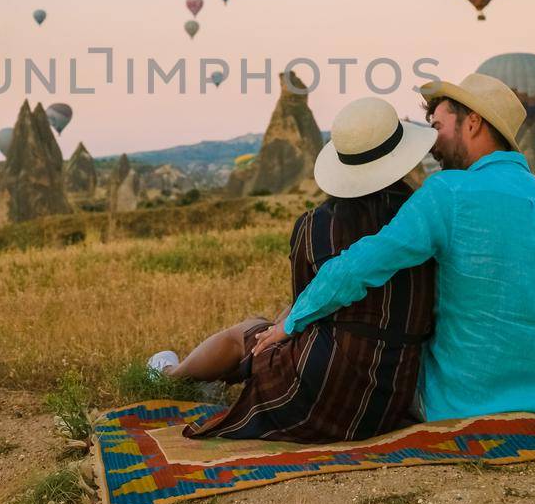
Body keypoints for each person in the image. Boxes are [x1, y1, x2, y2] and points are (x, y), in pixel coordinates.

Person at [252, 73, 535, 421]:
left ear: (473, 123)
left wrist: (292, 321)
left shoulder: (448, 191)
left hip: (464, 402)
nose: (432, 141)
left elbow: (363, 263)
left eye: (437, 125)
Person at [146, 96, 439, 442]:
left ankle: (171, 375)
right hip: (390, 394)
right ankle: (211, 374)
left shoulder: (316, 225)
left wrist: (274, 330)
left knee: (252, 332)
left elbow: (305, 303)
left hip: (318, 393)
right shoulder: (425, 221)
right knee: (270, 333)